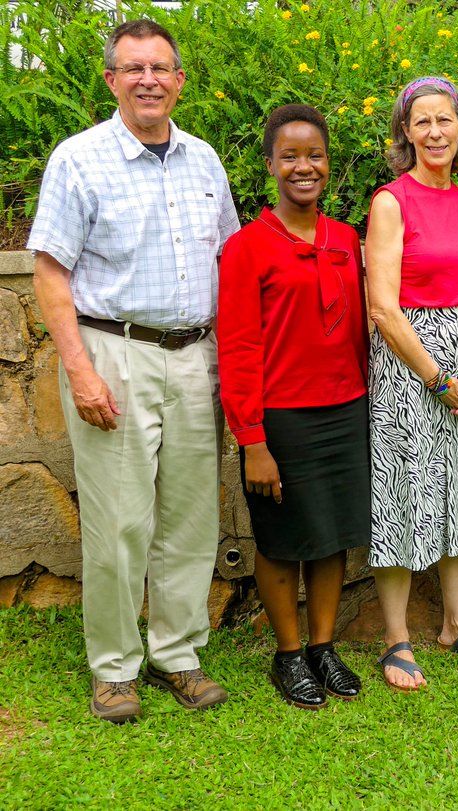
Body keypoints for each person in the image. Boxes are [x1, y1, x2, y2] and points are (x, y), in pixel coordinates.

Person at [27, 19, 239, 723]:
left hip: (195, 355)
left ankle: (177, 653)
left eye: (161, 68)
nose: (148, 79)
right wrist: (81, 372)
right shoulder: (80, 160)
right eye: (133, 68)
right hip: (114, 351)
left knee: (189, 518)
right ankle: (114, 668)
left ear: (180, 81)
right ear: (111, 79)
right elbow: (51, 274)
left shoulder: (206, 160)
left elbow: (230, 264)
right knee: (120, 520)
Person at [217, 105, 369, 710]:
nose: (304, 167)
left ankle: (323, 648)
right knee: (280, 540)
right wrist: (253, 439)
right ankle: (288, 654)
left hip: (345, 407)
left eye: (315, 155)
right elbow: (238, 345)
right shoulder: (247, 247)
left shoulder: (344, 237)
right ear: (270, 166)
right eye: (290, 156)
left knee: (331, 535)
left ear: (328, 163)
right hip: (280, 418)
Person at [366, 76, 458, 691]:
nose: (434, 132)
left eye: (444, 120)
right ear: (406, 132)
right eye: (421, 121)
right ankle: (396, 639)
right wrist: (438, 379)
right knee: (402, 493)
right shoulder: (390, 202)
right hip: (409, 362)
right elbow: (380, 305)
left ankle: (457, 624)